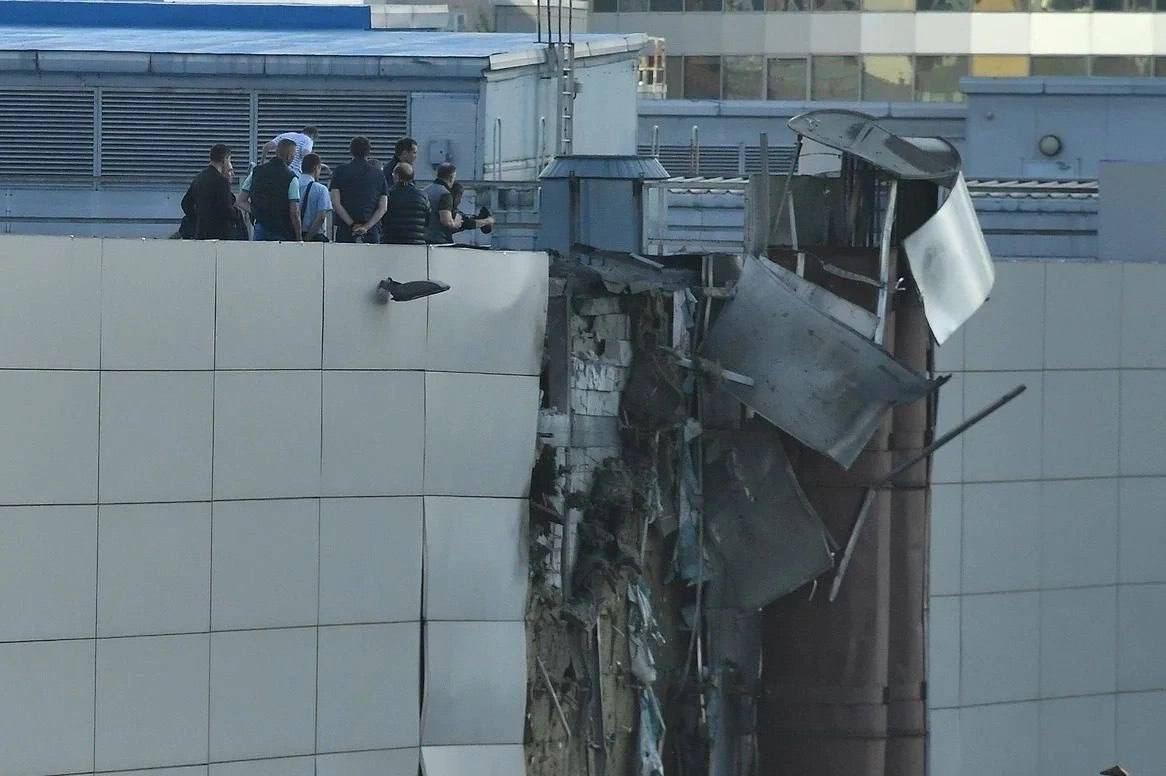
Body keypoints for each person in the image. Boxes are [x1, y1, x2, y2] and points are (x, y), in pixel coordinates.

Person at [237, 138, 302, 241]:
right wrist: (299, 238)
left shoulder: (256, 172)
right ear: (289, 155)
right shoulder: (291, 178)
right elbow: (294, 212)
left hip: (260, 227)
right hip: (283, 230)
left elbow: (240, 201)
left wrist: (257, 212)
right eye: (294, 155)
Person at [329, 136, 389, 244]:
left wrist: (352, 225)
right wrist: (366, 227)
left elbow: (335, 203)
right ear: (369, 152)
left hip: (345, 230)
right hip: (371, 231)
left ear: (351, 151)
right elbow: (383, 208)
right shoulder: (379, 174)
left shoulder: (340, 171)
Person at [180, 143, 241, 240]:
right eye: (229, 160)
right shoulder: (221, 181)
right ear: (225, 159)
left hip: (201, 233)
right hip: (221, 234)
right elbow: (226, 209)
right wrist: (237, 214)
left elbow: (186, 204)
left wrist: (198, 218)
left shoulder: (199, 178)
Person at [381, 162, 430, 245]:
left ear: (397, 176)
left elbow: (383, 216)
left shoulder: (389, 195)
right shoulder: (422, 196)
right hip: (417, 242)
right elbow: (428, 218)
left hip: (392, 241)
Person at [422, 162, 462, 243]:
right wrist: (456, 223)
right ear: (451, 177)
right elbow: (446, 221)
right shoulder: (445, 194)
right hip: (439, 240)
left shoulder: (424, 191)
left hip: (423, 239)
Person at [298, 152, 332, 242]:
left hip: (292, 235)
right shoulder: (321, 189)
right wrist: (307, 238)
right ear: (316, 168)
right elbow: (321, 217)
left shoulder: (292, 185)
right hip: (313, 237)